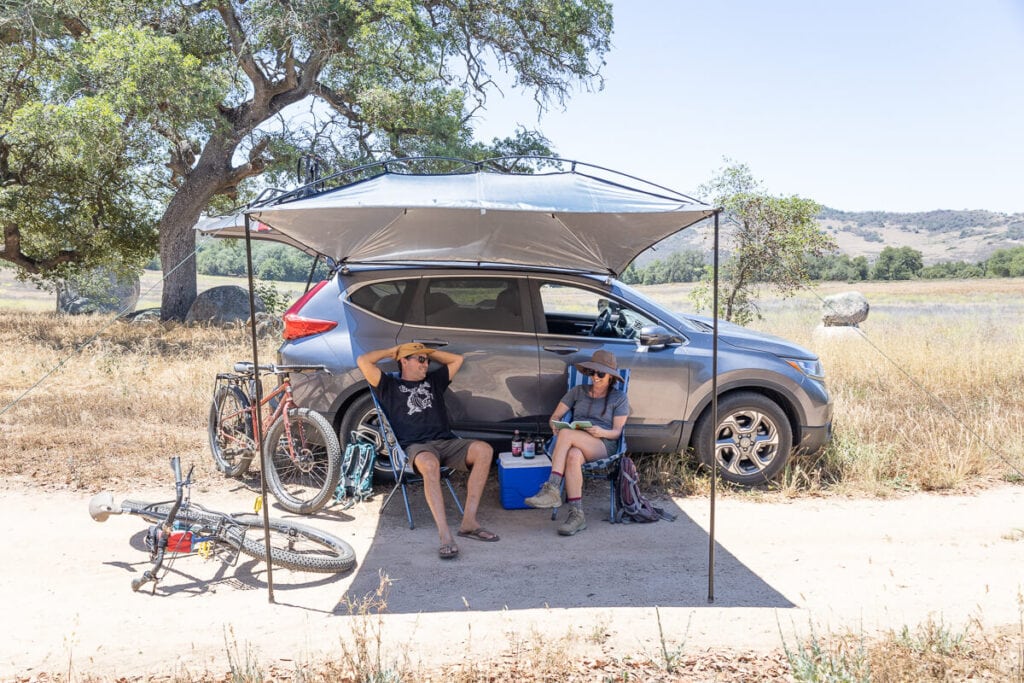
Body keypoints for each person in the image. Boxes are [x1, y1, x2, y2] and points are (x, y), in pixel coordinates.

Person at [357, 342, 498, 559]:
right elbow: (363, 361)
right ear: (404, 361)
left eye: (427, 360)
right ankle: (445, 536)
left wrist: (426, 351)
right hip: (416, 447)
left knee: (484, 450)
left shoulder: (434, 381)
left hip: (446, 442)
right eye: (420, 360)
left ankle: (469, 522)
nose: (426, 364)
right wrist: (393, 351)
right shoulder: (388, 386)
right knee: (430, 465)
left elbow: (456, 360)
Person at [524, 349, 629, 536]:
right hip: (575, 442)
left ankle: (553, 487)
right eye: (592, 372)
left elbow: (616, 433)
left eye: (601, 374)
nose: (595, 377)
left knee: (566, 434)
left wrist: (601, 431)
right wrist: (554, 424)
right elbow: (556, 415)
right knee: (573, 456)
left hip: (603, 444)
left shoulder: (619, 398)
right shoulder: (578, 391)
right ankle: (577, 515)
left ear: (611, 377)